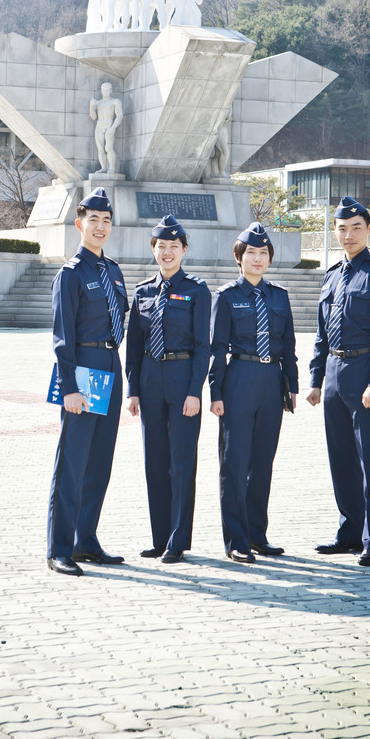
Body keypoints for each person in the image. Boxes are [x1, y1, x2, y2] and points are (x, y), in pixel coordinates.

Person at [307, 196, 370, 567]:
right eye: (342, 229)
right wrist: (316, 379)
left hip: (365, 374)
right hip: (333, 373)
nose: (348, 235)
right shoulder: (331, 275)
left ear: (369, 229)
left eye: (356, 228)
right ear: (335, 230)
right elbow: (321, 333)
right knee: (341, 459)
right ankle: (349, 534)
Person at [47, 187, 129, 576]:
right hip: (84, 369)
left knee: (99, 462)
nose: (100, 227)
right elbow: (62, 336)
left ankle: (86, 540)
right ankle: (59, 548)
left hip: (111, 363)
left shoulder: (113, 271)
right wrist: (70, 388)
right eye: (93, 220)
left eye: (106, 221)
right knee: (73, 463)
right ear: (79, 224)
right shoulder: (70, 274)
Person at [209, 222, 298, 563]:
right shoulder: (227, 296)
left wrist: (291, 385)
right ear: (239, 257)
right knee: (235, 462)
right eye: (251, 253)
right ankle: (236, 539)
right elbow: (217, 348)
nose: (257, 258)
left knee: (262, 463)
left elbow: (288, 345)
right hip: (239, 379)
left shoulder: (279, 296)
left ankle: (257, 534)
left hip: (271, 381)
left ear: (269, 258)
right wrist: (216, 392)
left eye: (263, 253)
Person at [125, 215, 211, 563]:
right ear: (153, 249)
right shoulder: (143, 291)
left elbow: (203, 346)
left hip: (182, 379)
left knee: (181, 462)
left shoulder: (197, 290)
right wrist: (132, 390)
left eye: (174, 246)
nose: (167, 252)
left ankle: (178, 539)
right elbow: (134, 345)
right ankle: (159, 538)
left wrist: (195, 392)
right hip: (150, 380)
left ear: (184, 250)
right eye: (162, 246)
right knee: (155, 462)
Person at [89, 83, 123, 175]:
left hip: (109, 125)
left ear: (111, 91)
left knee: (108, 148)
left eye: (108, 90)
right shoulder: (98, 103)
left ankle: (112, 168)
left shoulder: (115, 101)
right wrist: (91, 107)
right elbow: (93, 117)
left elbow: (120, 116)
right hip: (99, 126)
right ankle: (103, 167)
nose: (106, 92)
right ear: (101, 91)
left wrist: (113, 128)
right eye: (104, 90)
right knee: (100, 149)